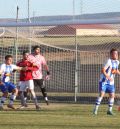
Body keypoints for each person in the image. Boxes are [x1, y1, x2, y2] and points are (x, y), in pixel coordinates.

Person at [93, 48, 120, 115]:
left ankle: (109, 111)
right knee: (101, 95)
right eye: (114, 53)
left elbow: (115, 70)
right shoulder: (108, 61)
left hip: (111, 83)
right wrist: (108, 76)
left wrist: (118, 72)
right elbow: (103, 70)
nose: (116, 55)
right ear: (111, 54)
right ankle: (95, 110)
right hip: (104, 82)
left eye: (117, 53)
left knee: (112, 95)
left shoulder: (117, 62)